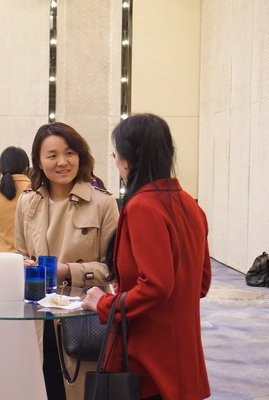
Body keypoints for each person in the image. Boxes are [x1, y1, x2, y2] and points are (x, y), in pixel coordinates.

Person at [82, 113, 211, 400]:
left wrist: (104, 303)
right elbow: (200, 284)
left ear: (128, 160)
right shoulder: (190, 205)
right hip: (183, 356)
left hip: (147, 358)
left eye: (116, 155)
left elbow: (157, 285)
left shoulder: (143, 207)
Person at [14, 122, 119, 400]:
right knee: (43, 388)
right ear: (39, 161)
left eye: (70, 153)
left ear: (80, 156)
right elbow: (20, 253)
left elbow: (112, 269)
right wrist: (21, 266)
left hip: (83, 317)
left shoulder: (103, 203)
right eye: (52, 155)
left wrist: (67, 271)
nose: (62, 162)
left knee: (81, 391)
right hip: (39, 319)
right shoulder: (27, 203)